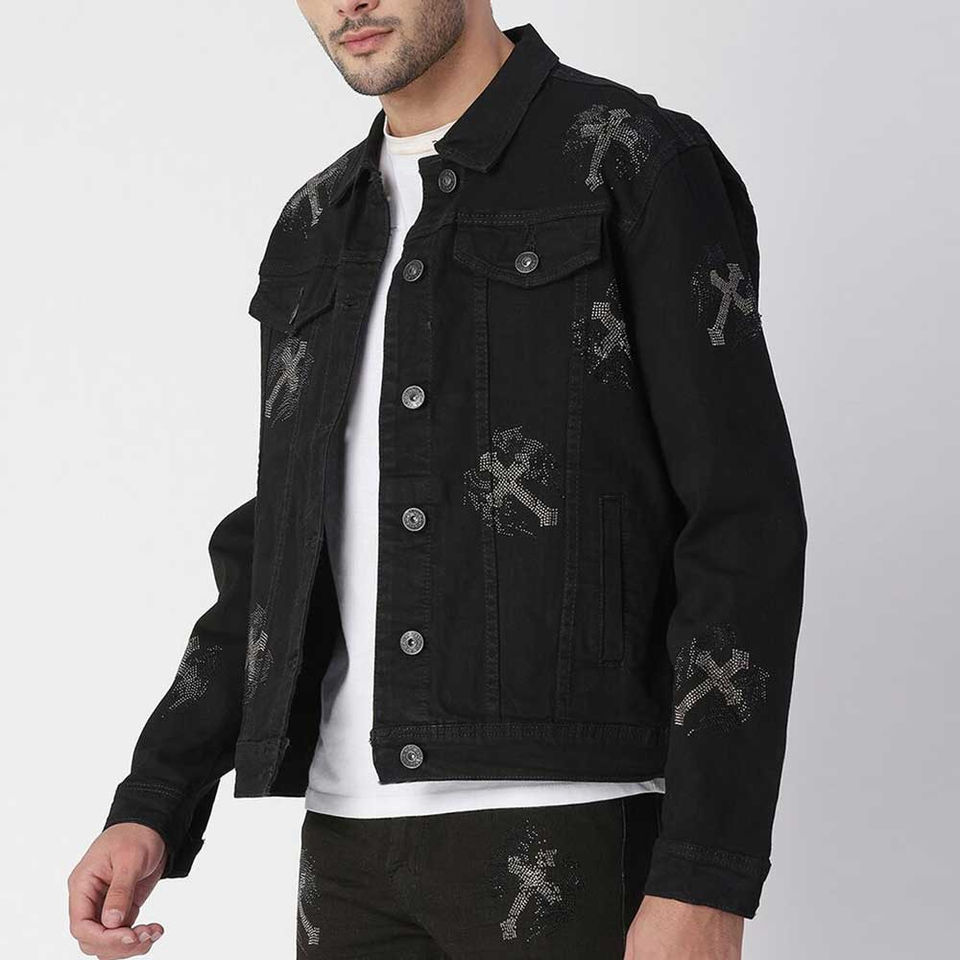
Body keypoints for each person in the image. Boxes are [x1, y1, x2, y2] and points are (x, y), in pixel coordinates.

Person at [67, 3, 807, 958]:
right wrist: (154, 800)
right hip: (347, 853)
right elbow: (282, 544)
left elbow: (742, 523)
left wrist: (705, 878)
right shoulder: (315, 224)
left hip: (573, 829)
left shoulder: (629, 160)